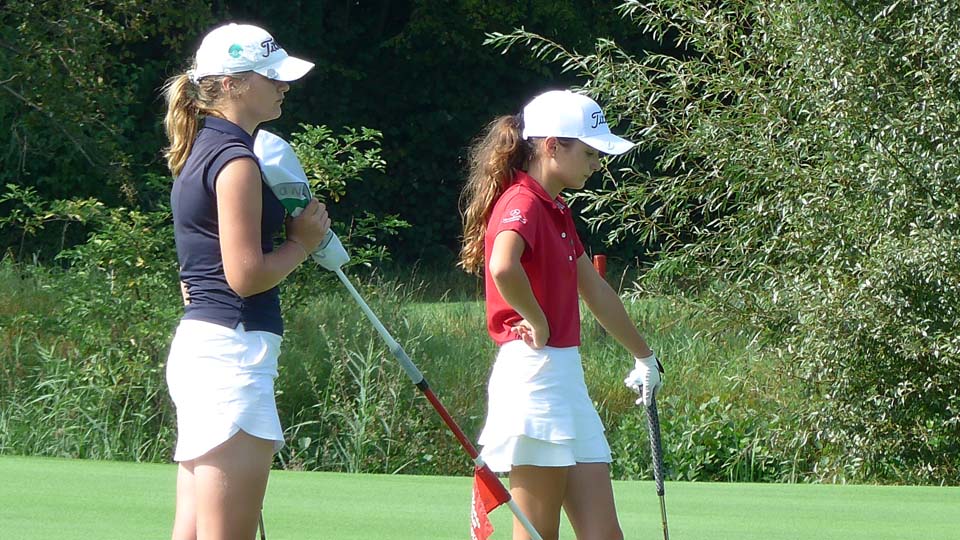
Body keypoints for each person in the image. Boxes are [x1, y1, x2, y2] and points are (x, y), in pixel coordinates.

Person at [459, 90, 664, 540]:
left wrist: (645, 357)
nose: (596, 163)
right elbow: (502, 266)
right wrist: (535, 317)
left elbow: (593, 288)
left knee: (603, 534)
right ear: (552, 146)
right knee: (537, 533)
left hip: (565, 381)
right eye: (589, 152)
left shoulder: (555, 209)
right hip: (534, 379)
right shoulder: (523, 202)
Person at [161, 23, 330, 540]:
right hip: (232, 354)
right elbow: (246, 277)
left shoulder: (200, 150)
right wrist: (302, 241)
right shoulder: (236, 162)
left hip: (207, 349)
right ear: (232, 83)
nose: (284, 86)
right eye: (271, 76)